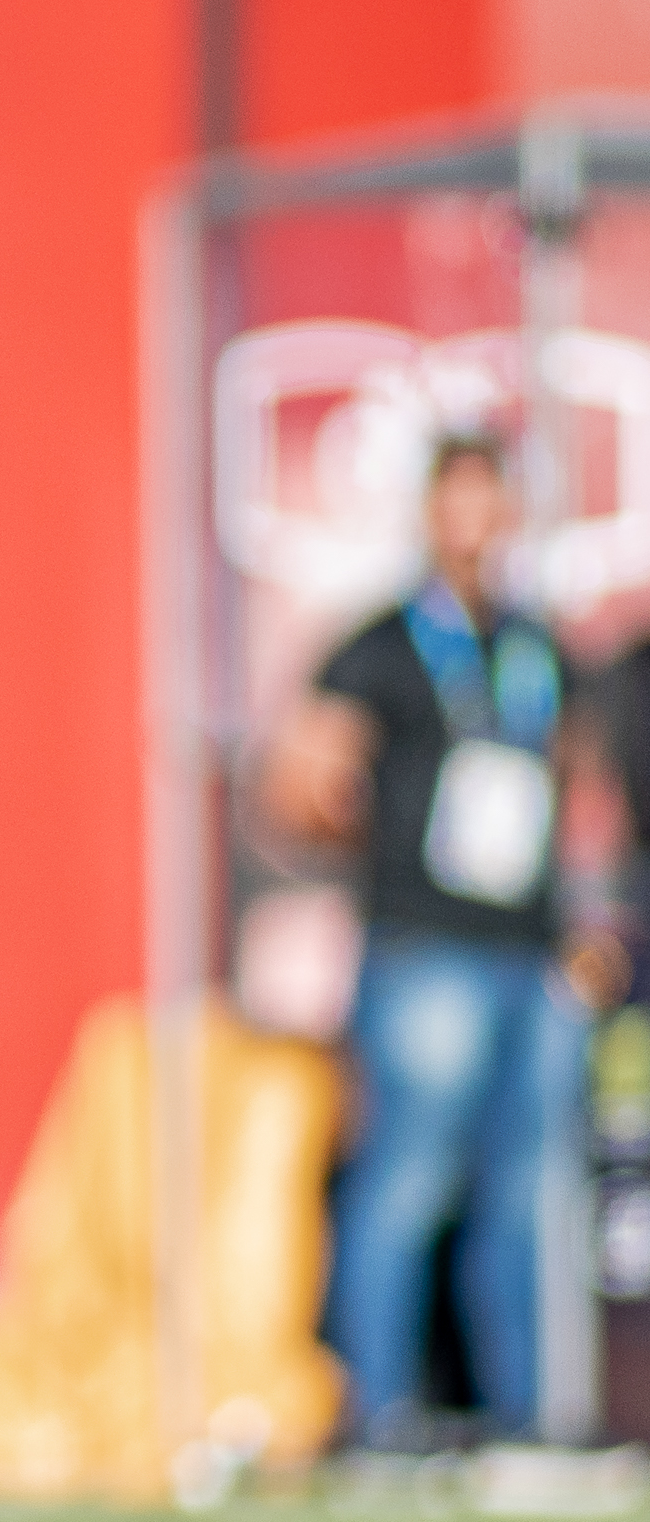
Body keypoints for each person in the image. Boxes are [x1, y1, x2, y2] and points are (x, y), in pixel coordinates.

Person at [264, 434, 610, 1449]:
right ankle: (380, 1407)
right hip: (424, 945)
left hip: (528, 950)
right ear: (424, 512)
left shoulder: (534, 646)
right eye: (453, 501)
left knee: (531, 1185)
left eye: (487, 501)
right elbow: (299, 783)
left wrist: (585, 923)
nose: (471, 522)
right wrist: (335, 809)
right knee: (408, 1175)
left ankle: (528, 1411)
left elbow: (578, 791)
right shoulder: (375, 645)